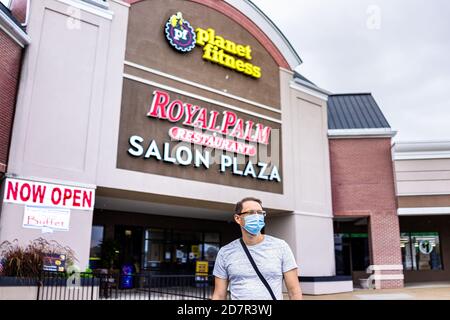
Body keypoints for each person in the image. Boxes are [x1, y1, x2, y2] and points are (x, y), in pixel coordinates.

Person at [212, 197, 303, 300]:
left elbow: (294, 291)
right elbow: (219, 295)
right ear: (238, 218)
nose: (256, 216)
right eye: (251, 213)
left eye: (260, 213)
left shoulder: (281, 247)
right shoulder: (225, 252)